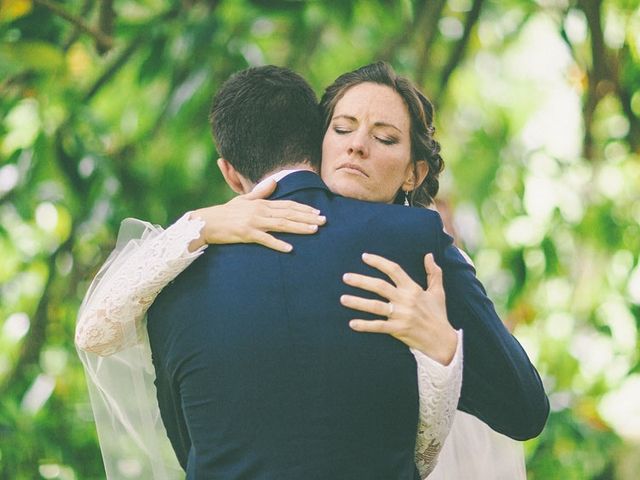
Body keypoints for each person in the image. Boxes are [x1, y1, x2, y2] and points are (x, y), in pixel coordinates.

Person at [76, 63, 547, 478]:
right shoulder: (417, 240)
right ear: (316, 141)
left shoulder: (173, 278)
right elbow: (421, 452)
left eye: (384, 138)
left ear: (414, 173)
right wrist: (198, 225)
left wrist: (441, 348)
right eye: (343, 129)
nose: (357, 147)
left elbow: (189, 447)